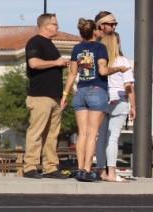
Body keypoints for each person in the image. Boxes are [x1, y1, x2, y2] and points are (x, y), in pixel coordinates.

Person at [62, 18, 123, 182]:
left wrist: (64, 95)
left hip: (80, 91)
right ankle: (88, 170)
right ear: (95, 31)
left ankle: (80, 168)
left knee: (82, 134)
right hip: (97, 90)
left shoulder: (76, 48)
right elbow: (102, 71)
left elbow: (72, 74)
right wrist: (118, 68)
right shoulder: (100, 48)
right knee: (92, 134)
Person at [23, 13, 72, 180]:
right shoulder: (35, 42)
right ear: (46, 26)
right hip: (40, 95)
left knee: (52, 134)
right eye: (55, 24)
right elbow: (34, 63)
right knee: (36, 132)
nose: (58, 27)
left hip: (55, 97)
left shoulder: (51, 44)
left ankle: (50, 167)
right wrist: (56, 62)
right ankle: (30, 166)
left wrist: (63, 64)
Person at [96, 32, 134, 182]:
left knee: (101, 138)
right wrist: (134, 106)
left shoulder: (101, 62)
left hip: (102, 99)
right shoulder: (122, 61)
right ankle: (112, 172)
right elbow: (129, 86)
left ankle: (100, 170)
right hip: (119, 100)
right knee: (113, 138)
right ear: (116, 44)